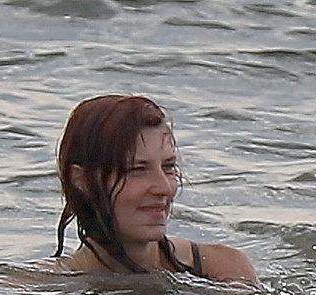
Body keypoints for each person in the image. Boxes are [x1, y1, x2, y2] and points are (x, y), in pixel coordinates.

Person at [50, 94, 258, 284]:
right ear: (81, 180)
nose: (164, 188)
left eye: (168, 167)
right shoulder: (41, 286)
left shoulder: (223, 269)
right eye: (137, 170)